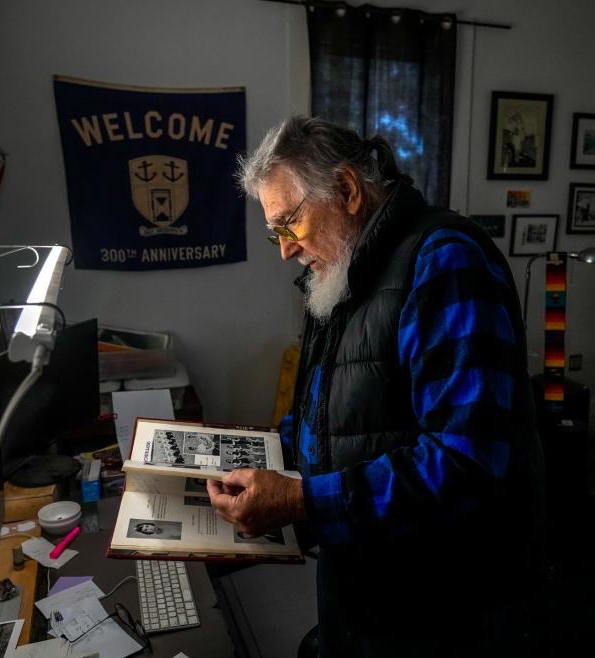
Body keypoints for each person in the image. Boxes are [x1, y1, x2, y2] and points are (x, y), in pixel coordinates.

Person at [207, 116, 546, 657]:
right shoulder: (339, 269)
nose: (284, 249)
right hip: (364, 578)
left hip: (441, 604)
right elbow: (321, 410)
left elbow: (467, 464)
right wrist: (257, 459)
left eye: (288, 224)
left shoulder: (444, 260)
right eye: (276, 232)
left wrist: (299, 499)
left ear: (346, 189)